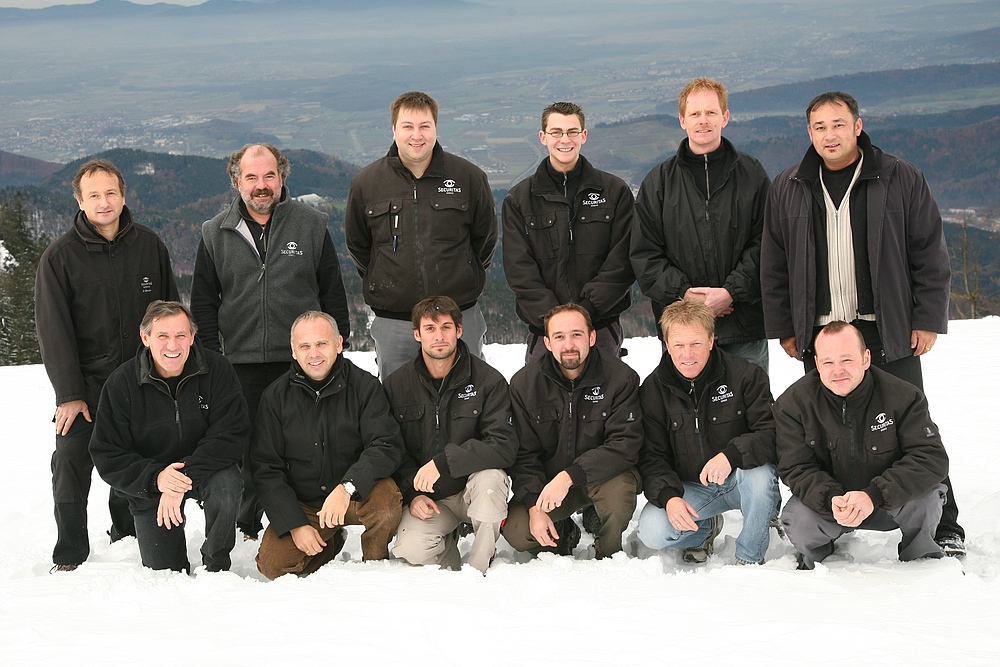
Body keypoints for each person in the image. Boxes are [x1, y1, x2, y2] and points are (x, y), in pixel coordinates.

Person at [760, 91, 963, 555]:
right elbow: (773, 265)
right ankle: (834, 514)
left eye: (837, 124)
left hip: (887, 329)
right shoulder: (788, 185)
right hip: (822, 335)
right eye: (819, 127)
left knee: (912, 421)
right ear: (808, 132)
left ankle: (945, 524)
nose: (829, 135)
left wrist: (927, 318)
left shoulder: (898, 177)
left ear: (857, 125)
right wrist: (786, 329)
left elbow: (929, 252)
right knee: (822, 428)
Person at [191, 142, 351, 541]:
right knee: (245, 445)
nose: (261, 185)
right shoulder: (215, 233)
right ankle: (246, 522)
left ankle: (311, 513)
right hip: (239, 360)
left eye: (269, 176)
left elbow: (331, 289)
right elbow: (204, 302)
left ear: (282, 179)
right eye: (251, 177)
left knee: (303, 442)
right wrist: (212, 358)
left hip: (301, 358)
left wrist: (337, 340)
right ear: (237, 181)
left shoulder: (311, 224)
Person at [35, 158, 178, 572]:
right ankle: (70, 553)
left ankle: (126, 532)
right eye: (93, 195)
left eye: (110, 193)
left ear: (124, 196)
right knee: (70, 462)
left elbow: (170, 318)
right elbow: (53, 330)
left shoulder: (149, 246)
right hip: (88, 386)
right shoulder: (60, 258)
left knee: (135, 458)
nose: (104, 202)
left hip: (142, 382)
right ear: (79, 201)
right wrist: (69, 394)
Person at [345, 91, 498, 380]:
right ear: (394, 129)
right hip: (395, 320)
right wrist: (385, 279)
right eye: (408, 126)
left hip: (459, 317)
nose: (417, 135)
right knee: (397, 407)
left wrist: (465, 273)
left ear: (436, 128)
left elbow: (485, 241)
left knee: (470, 399)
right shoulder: (366, 184)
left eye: (425, 126)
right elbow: (358, 245)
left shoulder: (468, 177)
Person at [774, 321, 949, 569]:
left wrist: (873, 495)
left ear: (866, 358)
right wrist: (830, 499)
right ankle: (822, 555)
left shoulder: (903, 396)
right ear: (817, 364)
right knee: (797, 518)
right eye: (828, 362)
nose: (838, 371)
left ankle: (919, 559)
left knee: (928, 499)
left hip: (887, 503)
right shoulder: (793, 405)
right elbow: (795, 468)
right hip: (834, 506)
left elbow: (931, 458)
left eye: (847, 360)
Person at [90, 301, 248, 573]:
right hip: (151, 482)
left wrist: (181, 479)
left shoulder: (218, 370)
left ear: (192, 337)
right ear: (145, 337)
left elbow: (231, 434)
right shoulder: (121, 383)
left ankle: (217, 564)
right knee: (165, 572)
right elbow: (107, 453)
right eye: (162, 336)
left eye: (180, 336)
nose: (172, 346)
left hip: (204, 468)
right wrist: (157, 478)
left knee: (227, 485)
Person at [251, 311, 403, 579]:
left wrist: (348, 487)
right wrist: (295, 524)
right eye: (304, 346)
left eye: (321, 343)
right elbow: (266, 468)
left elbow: (386, 444)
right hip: (306, 503)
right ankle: (328, 544)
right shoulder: (275, 398)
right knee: (274, 565)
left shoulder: (364, 386)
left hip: (356, 495)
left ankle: (375, 563)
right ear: (293, 351)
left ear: (338, 343)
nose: (314, 353)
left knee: (387, 502)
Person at [632, 77, 770, 370]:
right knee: (685, 413)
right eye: (695, 114)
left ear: (726, 117)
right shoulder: (659, 182)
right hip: (683, 334)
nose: (703, 121)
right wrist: (685, 295)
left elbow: (768, 242)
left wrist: (731, 291)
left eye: (711, 112)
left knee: (751, 412)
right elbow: (645, 255)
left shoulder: (751, 174)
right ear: (682, 119)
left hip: (743, 329)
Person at [636, 299, 778, 565]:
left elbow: (771, 431)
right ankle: (704, 529)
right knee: (653, 532)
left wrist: (731, 456)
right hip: (692, 487)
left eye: (696, 344)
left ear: (711, 340)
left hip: (740, 478)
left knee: (760, 477)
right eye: (679, 345)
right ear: (667, 345)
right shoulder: (653, 390)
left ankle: (749, 558)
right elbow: (651, 456)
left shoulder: (746, 375)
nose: (687, 355)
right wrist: (668, 497)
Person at [385, 296, 517, 574]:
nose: (439, 336)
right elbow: (392, 449)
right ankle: (451, 570)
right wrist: (412, 494)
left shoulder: (488, 381)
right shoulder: (396, 385)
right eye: (430, 329)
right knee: (411, 549)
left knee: (492, 480)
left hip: (473, 488)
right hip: (430, 498)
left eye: (446, 327)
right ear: (417, 335)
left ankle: (479, 569)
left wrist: (444, 462)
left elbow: (503, 445)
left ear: (459, 330)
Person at [502, 303, 642, 559]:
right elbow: (523, 454)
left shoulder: (621, 378)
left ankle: (608, 550)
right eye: (559, 336)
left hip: (603, 477)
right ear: (547, 342)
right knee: (517, 530)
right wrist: (534, 505)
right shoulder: (524, 384)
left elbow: (625, 443)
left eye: (576, 335)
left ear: (591, 337)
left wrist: (570, 476)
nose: (569, 344)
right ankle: (563, 534)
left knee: (618, 494)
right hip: (548, 486)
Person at [502, 101, 635, 363]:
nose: (565, 139)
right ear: (543, 137)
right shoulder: (519, 199)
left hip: (601, 326)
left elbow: (623, 260)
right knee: (541, 402)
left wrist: (586, 311)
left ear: (583, 136)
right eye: (556, 132)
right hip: (544, 332)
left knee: (606, 401)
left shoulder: (614, 192)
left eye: (573, 132)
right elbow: (519, 270)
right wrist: (555, 320)